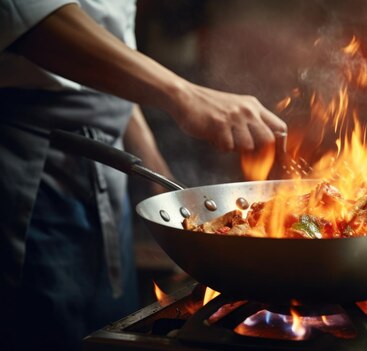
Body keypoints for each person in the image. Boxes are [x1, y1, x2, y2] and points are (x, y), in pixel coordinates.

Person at [0, 1, 287, 350]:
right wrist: (187, 95)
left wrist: (163, 185)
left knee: (109, 326)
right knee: (48, 332)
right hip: (33, 183)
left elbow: (107, 68)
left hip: (105, 188)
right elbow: (30, 20)